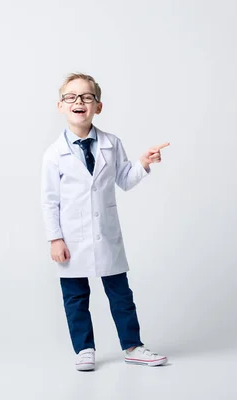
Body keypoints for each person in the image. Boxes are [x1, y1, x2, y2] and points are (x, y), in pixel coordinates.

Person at [41, 72, 169, 371]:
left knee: (121, 295)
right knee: (75, 298)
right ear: (60, 105)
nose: (79, 102)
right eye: (71, 97)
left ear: (98, 106)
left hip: (105, 234)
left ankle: (133, 346)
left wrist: (144, 164)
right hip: (70, 237)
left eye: (87, 97)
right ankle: (84, 348)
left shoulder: (112, 144)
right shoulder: (53, 155)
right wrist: (55, 238)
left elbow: (124, 179)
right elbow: (49, 201)